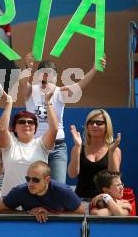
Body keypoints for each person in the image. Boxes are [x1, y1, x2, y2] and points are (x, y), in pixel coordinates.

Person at [20, 53, 106, 183]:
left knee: (58, 186)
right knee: (36, 186)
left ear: (55, 77)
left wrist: (95, 68)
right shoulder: (31, 91)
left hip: (58, 147)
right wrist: (27, 66)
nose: (47, 78)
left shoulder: (59, 92)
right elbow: (22, 83)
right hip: (36, 146)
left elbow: (80, 86)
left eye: (50, 75)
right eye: (44, 74)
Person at [0, 87, 58, 197]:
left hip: (37, 201)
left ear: (35, 128)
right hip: (10, 201)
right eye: (21, 122)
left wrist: (48, 102)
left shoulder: (41, 144)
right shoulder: (9, 145)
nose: (26, 124)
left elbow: (54, 129)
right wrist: (9, 101)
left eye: (30, 122)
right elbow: (2, 129)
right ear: (14, 128)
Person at [0, 161, 85, 223]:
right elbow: (0, 210)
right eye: (28, 179)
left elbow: (81, 213)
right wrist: (29, 213)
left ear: (47, 180)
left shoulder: (63, 191)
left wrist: (50, 214)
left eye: (35, 180)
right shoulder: (19, 191)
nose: (30, 183)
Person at [68, 109, 121, 200]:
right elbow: (72, 174)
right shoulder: (78, 148)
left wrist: (111, 152)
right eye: (91, 122)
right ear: (87, 126)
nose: (94, 125)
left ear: (107, 126)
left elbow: (114, 178)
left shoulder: (114, 150)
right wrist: (77, 147)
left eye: (99, 123)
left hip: (104, 202)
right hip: (80, 199)